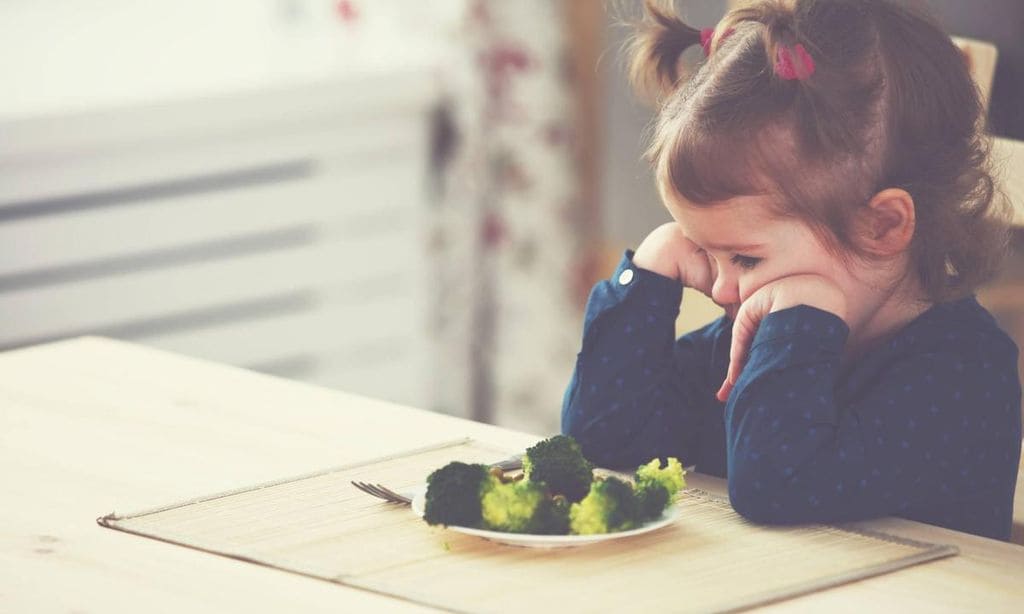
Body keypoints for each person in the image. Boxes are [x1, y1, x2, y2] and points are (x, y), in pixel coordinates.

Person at [562, 0, 1022, 541]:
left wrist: (801, 325)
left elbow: (775, 487)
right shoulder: (751, 332)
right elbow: (603, 444)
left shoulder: (962, 372)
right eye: (704, 251)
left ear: (881, 227)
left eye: (745, 259)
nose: (718, 286)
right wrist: (647, 276)